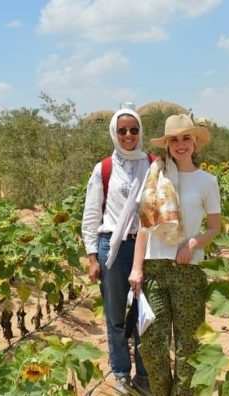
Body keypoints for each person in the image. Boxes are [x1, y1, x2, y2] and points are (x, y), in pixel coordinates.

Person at [128, 114, 221, 395]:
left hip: (188, 270)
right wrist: (136, 268)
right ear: (167, 145)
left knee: (188, 346)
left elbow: (214, 227)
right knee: (152, 345)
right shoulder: (155, 176)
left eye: (186, 138)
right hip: (154, 268)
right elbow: (144, 228)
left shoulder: (207, 181)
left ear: (195, 143)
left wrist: (192, 244)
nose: (180, 144)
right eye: (174, 140)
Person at [81, 108, 151, 394]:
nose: (128, 135)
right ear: (114, 133)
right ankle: (121, 372)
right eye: (122, 130)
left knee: (147, 315)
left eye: (133, 129)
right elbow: (90, 215)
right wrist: (91, 256)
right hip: (113, 247)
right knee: (116, 317)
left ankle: (145, 375)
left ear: (140, 131)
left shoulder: (154, 164)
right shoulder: (104, 168)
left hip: (148, 247)